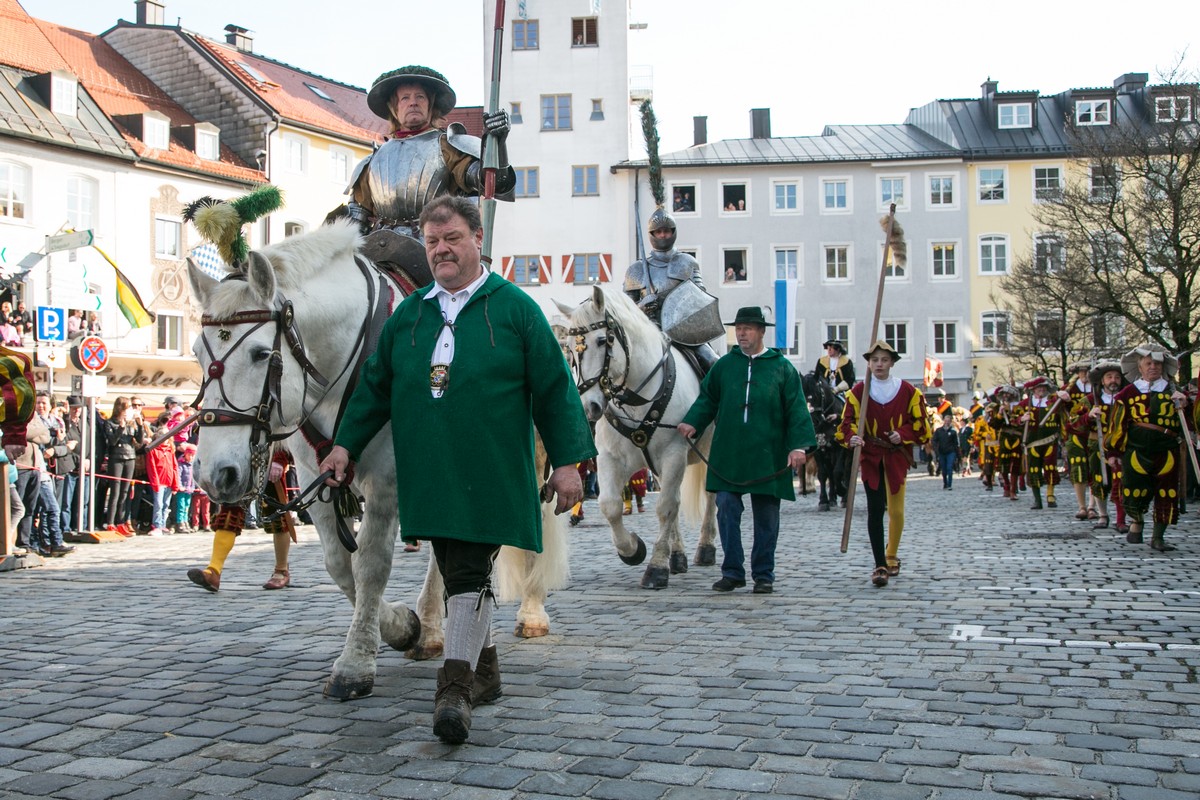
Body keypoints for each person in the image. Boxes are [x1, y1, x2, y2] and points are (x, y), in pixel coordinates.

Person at [318, 195, 595, 745]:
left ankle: (455, 690)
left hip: (491, 471)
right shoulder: (410, 315)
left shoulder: (514, 308)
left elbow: (554, 389)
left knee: (467, 574)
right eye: (432, 241)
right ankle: (486, 668)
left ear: (477, 240)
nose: (441, 249)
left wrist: (567, 462)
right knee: (457, 569)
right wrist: (344, 445)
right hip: (431, 476)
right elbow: (374, 387)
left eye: (452, 239)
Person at [677, 306, 814, 595]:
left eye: (747, 329)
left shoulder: (782, 368)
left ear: (761, 332)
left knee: (766, 518)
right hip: (729, 453)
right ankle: (732, 572)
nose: (741, 334)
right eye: (738, 329)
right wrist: (693, 421)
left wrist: (798, 446)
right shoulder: (724, 366)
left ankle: (763, 575)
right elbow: (707, 398)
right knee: (726, 508)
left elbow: (797, 409)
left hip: (769, 454)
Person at [345, 65, 513, 288]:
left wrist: (497, 143)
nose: (413, 102)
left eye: (420, 97)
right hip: (378, 247)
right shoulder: (373, 160)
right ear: (394, 108)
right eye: (405, 98)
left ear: (430, 105)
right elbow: (356, 220)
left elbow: (491, 181)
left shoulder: (449, 146)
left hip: (435, 246)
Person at [837, 341, 930, 587]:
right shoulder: (858, 392)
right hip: (871, 456)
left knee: (896, 510)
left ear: (892, 363)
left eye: (884, 360)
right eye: (875, 360)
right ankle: (879, 564)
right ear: (869, 363)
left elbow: (921, 425)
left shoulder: (908, 391)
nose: (879, 364)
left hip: (896, 455)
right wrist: (852, 437)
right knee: (875, 509)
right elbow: (846, 424)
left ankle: (891, 555)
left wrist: (903, 434)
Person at [1108, 344, 1188, 551]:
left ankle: (1158, 537)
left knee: (1166, 493)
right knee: (1134, 491)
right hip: (1136, 450)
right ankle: (1137, 521)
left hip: (1167, 450)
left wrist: (1185, 405)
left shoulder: (1175, 391)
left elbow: (1189, 425)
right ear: (1140, 367)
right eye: (1149, 363)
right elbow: (1117, 425)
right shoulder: (1127, 394)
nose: (1153, 367)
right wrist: (1113, 452)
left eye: (1157, 363)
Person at [623, 207, 720, 373]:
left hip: (684, 332)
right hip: (647, 330)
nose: (662, 235)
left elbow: (700, 299)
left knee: (714, 362)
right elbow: (625, 308)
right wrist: (641, 307)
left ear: (673, 232)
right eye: (658, 231)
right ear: (652, 234)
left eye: (666, 231)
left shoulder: (687, 262)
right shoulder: (636, 270)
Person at [1089, 360, 1127, 531]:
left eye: (1117, 377)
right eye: (1109, 377)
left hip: (1122, 445)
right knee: (1099, 481)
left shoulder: (1127, 398)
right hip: (1098, 445)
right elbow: (1072, 423)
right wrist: (1088, 416)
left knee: (1121, 482)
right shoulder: (1091, 399)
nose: (1113, 380)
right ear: (1102, 381)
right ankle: (1103, 515)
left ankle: (1121, 519)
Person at [1017, 376, 1063, 510]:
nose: (1041, 389)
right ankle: (1037, 499)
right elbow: (1014, 420)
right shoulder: (1025, 404)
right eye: (1038, 387)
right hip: (1032, 442)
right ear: (1033, 389)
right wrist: (1021, 419)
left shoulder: (1054, 402)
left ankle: (1050, 495)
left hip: (1050, 441)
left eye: (1043, 387)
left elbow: (1063, 419)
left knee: (1050, 467)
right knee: (1033, 469)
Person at [101, 396, 144, 535]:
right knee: (115, 491)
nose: (129, 410)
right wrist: (120, 427)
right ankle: (110, 522)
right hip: (116, 457)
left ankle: (121, 522)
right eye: (127, 407)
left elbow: (139, 440)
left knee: (125, 492)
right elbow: (112, 442)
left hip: (130, 456)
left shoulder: (131, 423)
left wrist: (140, 425)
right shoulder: (110, 423)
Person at [144, 412, 178, 537]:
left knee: (166, 505)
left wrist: (175, 485)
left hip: (168, 482)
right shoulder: (153, 451)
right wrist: (155, 483)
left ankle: (163, 524)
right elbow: (152, 468)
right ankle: (157, 525)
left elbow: (174, 468)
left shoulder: (170, 451)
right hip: (159, 483)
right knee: (158, 505)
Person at [931, 413, 960, 490]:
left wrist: (957, 454)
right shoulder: (939, 431)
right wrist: (936, 448)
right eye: (946, 421)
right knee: (944, 469)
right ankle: (945, 483)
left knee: (949, 468)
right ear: (944, 421)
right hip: (941, 452)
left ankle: (949, 484)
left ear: (950, 422)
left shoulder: (953, 431)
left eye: (948, 421)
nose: (947, 422)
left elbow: (956, 443)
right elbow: (934, 440)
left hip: (951, 452)